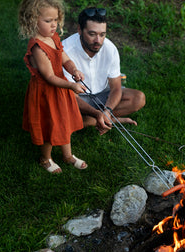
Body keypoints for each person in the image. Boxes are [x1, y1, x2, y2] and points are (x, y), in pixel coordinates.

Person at [18, 0, 88, 173]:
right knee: (49, 124)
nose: (54, 24)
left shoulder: (53, 37)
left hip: (59, 89)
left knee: (64, 121)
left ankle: (67, 155)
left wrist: (74, 70)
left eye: (55, 20)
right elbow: (49, 76)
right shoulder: (37, 47)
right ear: (33, 20)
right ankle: (45, 158)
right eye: (48, 21)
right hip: (45, 92)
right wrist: (71, 85)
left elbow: (63, 58)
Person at [62, 7, 146, 135]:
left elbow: (116, 88)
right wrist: (97, 113)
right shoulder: (66, 50)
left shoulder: (110, 48)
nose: (98, 41)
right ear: (79, 30)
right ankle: (98, 119)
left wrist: (107, 111)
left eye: (102, 34)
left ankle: (95, 120)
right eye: (92, 34)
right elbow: (71, 96)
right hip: (75, 100)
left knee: (138, 98)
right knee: (61, 109)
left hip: (102, 95)